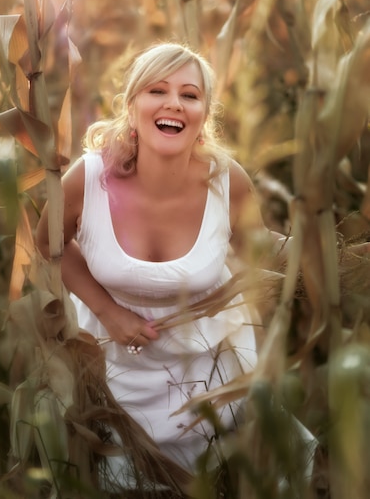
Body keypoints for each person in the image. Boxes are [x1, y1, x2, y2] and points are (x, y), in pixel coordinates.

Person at [35, 42, 288, 488]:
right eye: (157, 90)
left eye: (190, 95)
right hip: (113, 376)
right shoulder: (88, 177)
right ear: (131, 107)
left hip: (208, 376)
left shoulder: (228, 182)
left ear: (202, 116)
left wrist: (323, 241)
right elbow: (50, 245)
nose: (174, 102)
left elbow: (259, 248)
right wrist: (108, 312)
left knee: (218, 481)